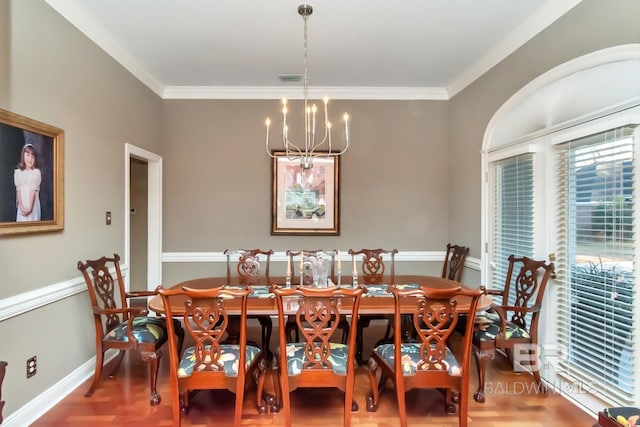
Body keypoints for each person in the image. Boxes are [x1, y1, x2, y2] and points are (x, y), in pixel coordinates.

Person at [14, 143, 41, 222]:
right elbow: (18, 190)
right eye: (27, 155)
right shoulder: (18, 172)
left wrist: (30, 209)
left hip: (32, 205)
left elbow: (33, 191)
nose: (30, 159)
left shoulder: (36, 172)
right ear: (23, 156)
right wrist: (21, 206)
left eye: (32, 157)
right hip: (22, 205)